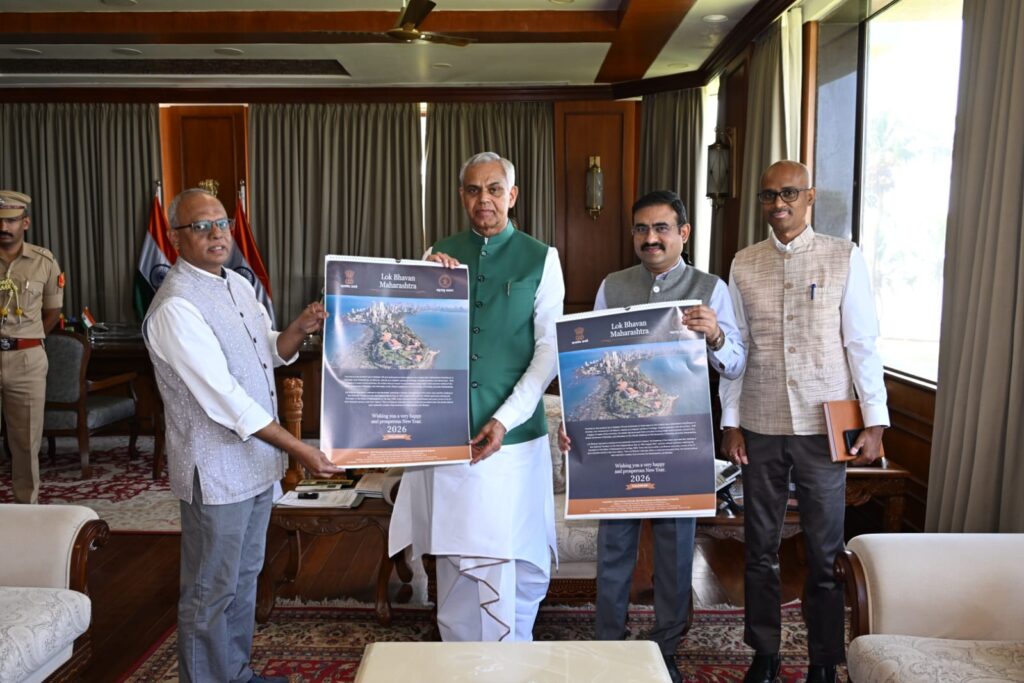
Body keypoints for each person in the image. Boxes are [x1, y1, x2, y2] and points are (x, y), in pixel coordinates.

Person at [143, 188, 342, 683]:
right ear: (175, 238)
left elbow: (267, 351)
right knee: (210, 589)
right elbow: (226, 399)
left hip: (255, 464)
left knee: (243, 577)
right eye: (201, 226)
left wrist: (301, 326)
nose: (217, 234)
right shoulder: (175, 307)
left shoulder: (236, 283)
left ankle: (235, 673)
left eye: (222, 223)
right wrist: (301, 449)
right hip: (214, 472)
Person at [560, 190, 745, 683]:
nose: (651, 238)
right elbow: (589, 360)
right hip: (616, 444)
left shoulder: (710, 288)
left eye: (662, 228)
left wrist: (716, 336)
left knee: (676, 555)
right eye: (641, 229)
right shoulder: (613, 285)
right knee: (613, 551)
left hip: (679, 444)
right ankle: (609, 647)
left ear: (683, 233)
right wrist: (572, 419)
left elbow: (735, 365)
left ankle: (665, 650)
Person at [720, 161, 888, 683]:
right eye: (769, 195)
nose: (779, 204)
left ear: (810, 197)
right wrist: (731, 421)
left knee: (823, 551)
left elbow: (861, 343)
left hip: (823, 427)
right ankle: (764, 652)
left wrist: (876, 421)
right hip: (761, 422)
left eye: (789, 193)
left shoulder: (843, 256)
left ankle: (823, 660)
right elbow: (736, 348)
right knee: (759, 549)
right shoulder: (744, 263)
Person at [389, 151, 565, 642]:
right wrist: (422, 283)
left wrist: (506, 418)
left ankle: (511, 659)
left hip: (513, 439)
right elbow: (408, 336)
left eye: (493, 189)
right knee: (455, 560)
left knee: (511, 558)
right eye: (472, 190)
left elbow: (549, 352)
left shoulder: (541, 258)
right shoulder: (437, 253)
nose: (483, 199)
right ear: (462, 196)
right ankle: (461, 660)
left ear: (512, 195)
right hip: (448, 437)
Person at [0, 190, 63, 504]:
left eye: (11, 220)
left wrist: (27, 338)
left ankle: (27, 507)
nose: (4, 227)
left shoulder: (44, 261)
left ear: (25, 222)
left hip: (26, 359)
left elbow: (53, 312)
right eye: (0, 221)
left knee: (25, 442)